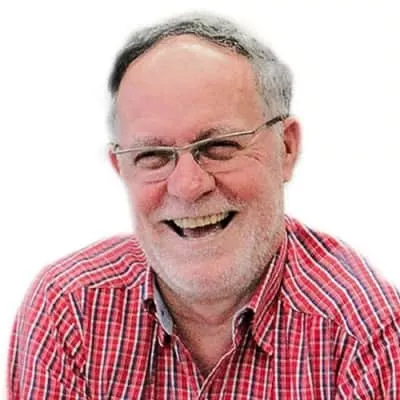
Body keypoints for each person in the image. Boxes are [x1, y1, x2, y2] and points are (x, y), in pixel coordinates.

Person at [8, 12, 400, 399]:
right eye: (153, 155)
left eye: (219, 146)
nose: (188, 186)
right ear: (121, 168)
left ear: (286, 148)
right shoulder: (70, 311)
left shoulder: (364, 334)